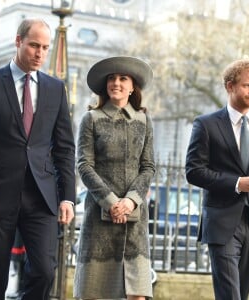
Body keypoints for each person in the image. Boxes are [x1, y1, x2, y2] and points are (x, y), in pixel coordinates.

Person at [0, 18, 76, 300]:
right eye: (34, 45)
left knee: (44, 271)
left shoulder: (56, 89)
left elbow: (65, 147)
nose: (40, 53)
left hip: (41, 196)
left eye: (45, 47)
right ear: (18, 42)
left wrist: (68, 197)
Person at [185, 59, 249, 300]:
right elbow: (193, 170)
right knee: (229, 294)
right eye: (247, 86)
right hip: (222, 223)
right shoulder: (207, 124)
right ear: (230, 87)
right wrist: (235, 183)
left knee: (240, 294)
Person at [73, 56, 155, 300]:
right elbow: (84, 166)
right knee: (93, 292)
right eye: (111, 78)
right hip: (99, 219)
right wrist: (111, 203)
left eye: (123, 78)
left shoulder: (144, 121)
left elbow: (149, 167)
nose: (116, 83)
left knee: (137, 293)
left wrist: (129, 202)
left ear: (132, 87)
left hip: (135, 221)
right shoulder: (91, 119)